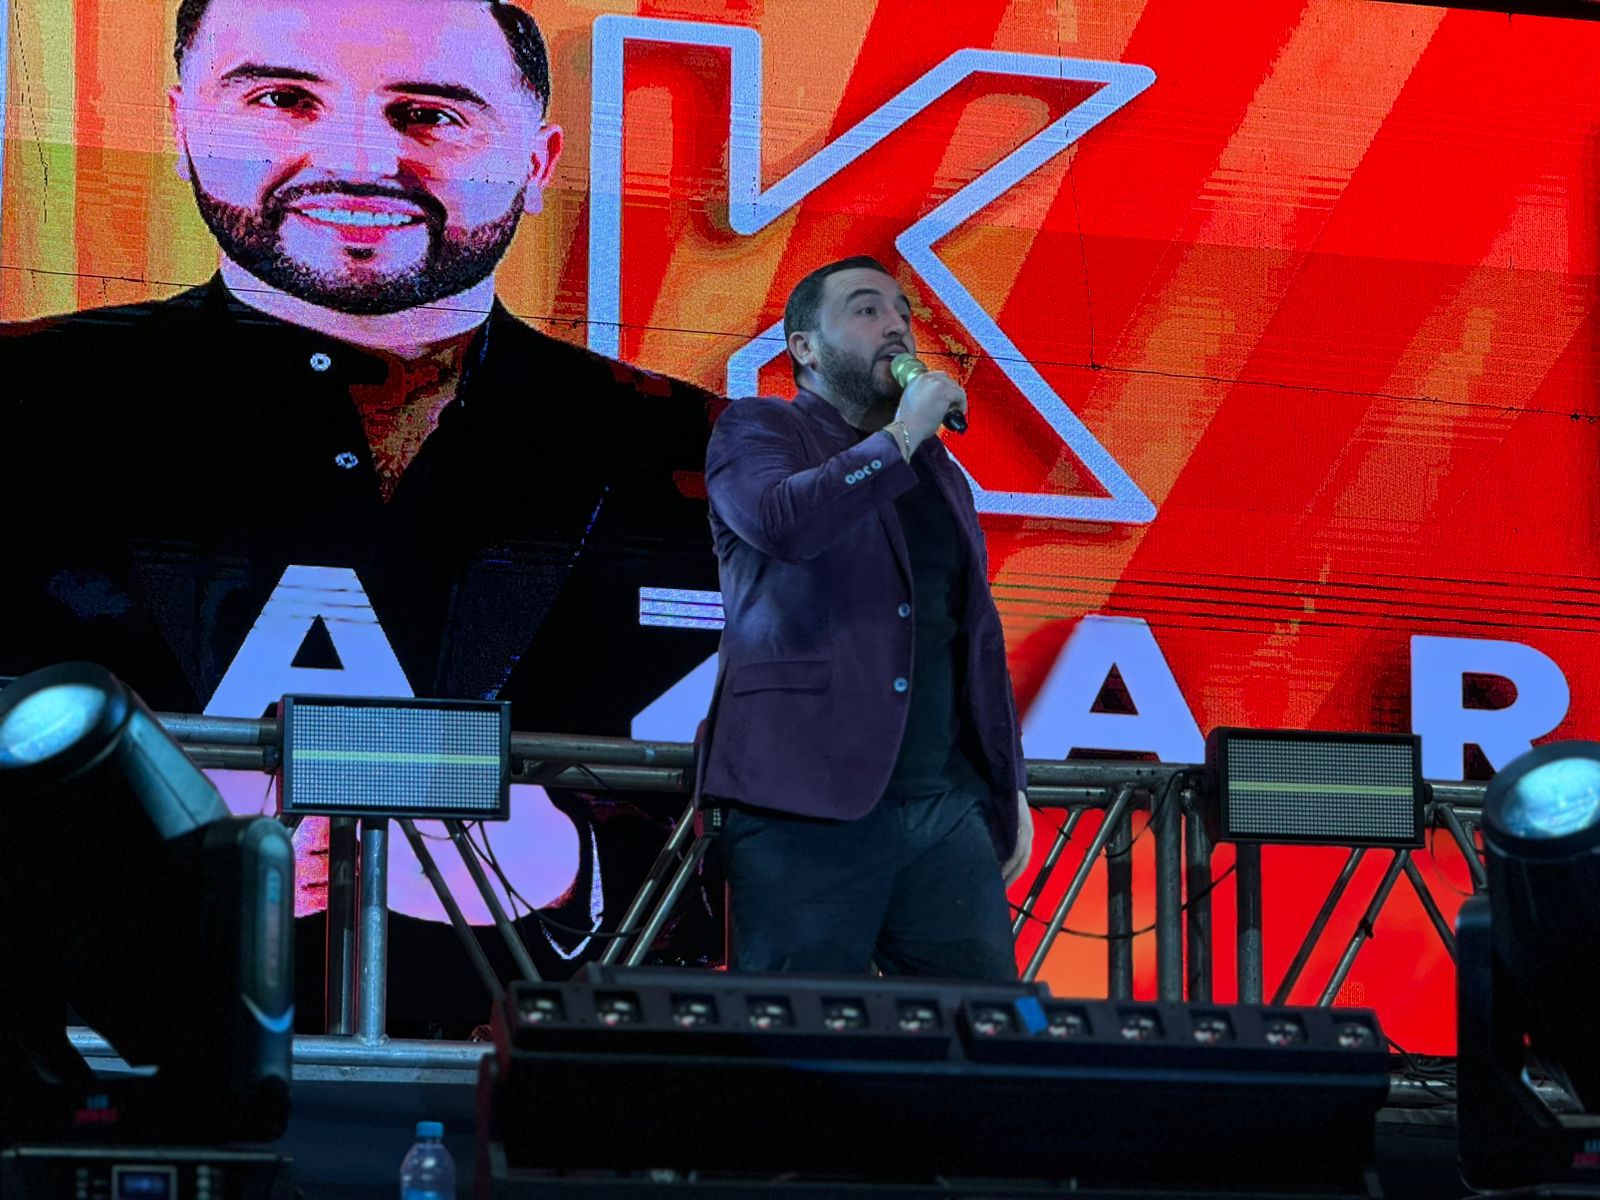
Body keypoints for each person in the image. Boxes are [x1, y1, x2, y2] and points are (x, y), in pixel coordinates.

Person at [0, 0, 723, 1026]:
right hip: (80, 1088)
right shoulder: (20, 403)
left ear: (537, 160)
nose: (356, 160)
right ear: (182, 123)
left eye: (429, 114)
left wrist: (565, 865)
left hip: (534, 1101)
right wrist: (107, 833)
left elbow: (848, 857)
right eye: (281, 99)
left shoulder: (716, 459)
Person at [701, 255, 1034, 981]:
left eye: (903, 314)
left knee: (990, 1029)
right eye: (866, 310)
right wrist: (901, 437)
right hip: (803, 803)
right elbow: (783, 523)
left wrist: (1004, 781)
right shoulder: (758, 429)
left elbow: (968, 635)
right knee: (802, 1033)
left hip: (943, 806)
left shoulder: (938, 472)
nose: (896, 328)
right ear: (805, 348)